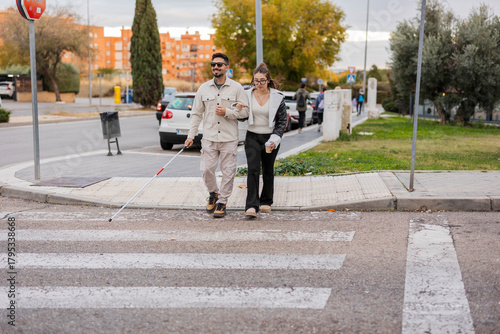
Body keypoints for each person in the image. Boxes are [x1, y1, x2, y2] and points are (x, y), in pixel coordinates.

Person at [184, 53, 249, 218]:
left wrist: (227, 112)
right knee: (206, 169)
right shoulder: (203, 88)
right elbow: (196, 114)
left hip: (229, 138)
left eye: (219, 64)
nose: (216, 67)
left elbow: (246, 112)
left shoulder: (237, 88)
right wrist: (191, 135)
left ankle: (223, 202)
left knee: (228, 171)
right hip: (209, 137)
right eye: (213, 64)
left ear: (227, 67)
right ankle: (213, 193)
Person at [234, 63, 287, 218]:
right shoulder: (247, 95)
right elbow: (243, 117)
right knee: (253, 170)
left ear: (268, 80)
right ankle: (251, 205)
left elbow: (282, 121)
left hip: (270, 138)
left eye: (262, 80)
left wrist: (275, 138)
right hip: (252, 137)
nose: (259, 84)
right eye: (256, 81)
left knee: (268, 169)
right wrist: (238, 109)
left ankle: (266, 201)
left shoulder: (277, 97)